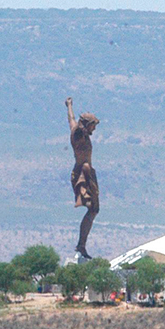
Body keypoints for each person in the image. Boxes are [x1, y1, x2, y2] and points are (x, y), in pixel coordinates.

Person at [66, 96, 100, 260]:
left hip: (86, 172)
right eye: (93, 126)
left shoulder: (75, 130)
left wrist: (69, 106)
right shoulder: (79, 136)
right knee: (93, 209)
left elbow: (71, 120)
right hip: (83, 174)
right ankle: (81, 245)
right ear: (86, 126)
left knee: (94, 210)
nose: (94, 130)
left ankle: (82, 244)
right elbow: (76, 125)